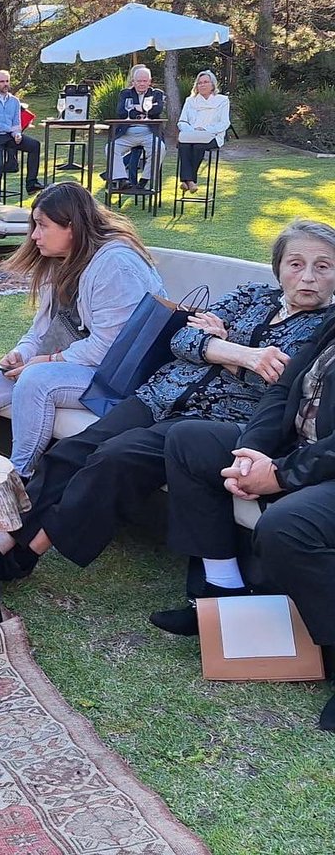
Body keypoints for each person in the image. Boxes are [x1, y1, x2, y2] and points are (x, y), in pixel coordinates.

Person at [0, 220, 335, 597]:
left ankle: (19, 555)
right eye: (296, 264)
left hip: (211, 422)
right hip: (159, 394)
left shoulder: (324, 329)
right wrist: (244, 355)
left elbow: (279, 382)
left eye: (323, 267)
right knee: (71, 452)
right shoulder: (252, 296)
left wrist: (216, 347)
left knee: (112, 460)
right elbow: (181, 340)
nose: (308, 277)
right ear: (279, 267)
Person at [151, 306, 335, 730]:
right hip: (296, 451)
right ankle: (223, 597)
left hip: (323, 466)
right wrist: (249, 454)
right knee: (189, 441)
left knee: (287, 524)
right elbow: (283, 389)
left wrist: (282, 475)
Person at [0, 182, 163, 477]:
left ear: (72, 226)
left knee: (36, 378)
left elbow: (112, 345)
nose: (34, 235)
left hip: (124, 377)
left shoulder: (116, 264)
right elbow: (41, 331)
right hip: (84, 366)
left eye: (42, 225)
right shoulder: (62, 261)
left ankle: (18, 479)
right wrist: (22, 353)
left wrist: (48, 361)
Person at [0, 70, 42, 201]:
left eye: (7, 81)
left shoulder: (14, 101)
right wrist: (10, 129)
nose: (5, 84)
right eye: (2, 81)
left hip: (9, 135)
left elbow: (17, 123)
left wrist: (17, 133)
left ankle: (31, 184)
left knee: (34, 145)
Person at [108, 64, 166, 190]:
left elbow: (157, 110)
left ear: (150, 81)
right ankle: (121, 179)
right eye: (139, 81)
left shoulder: (157, 94)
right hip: (128, 132)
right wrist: (143, 111)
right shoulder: (125, 93)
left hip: (149, 132)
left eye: (145, 81)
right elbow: (121, 112)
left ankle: (145, 179)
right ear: (133, 81)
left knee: (160, 149)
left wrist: (136, 110)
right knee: (110, 148)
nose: (142, 84)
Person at [177, 69, 230, 192]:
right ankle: (190, 182)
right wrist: (192, 130)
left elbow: (224, 123)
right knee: (183, 145)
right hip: (191, 134)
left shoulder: (222, 100)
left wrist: (205, 130)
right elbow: (182, 121)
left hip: (212, 136)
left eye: (206, 82)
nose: (202, 85)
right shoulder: (190, 101)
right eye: (200, 83)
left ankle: (187, 180)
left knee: (198, 146)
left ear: (212, 85)